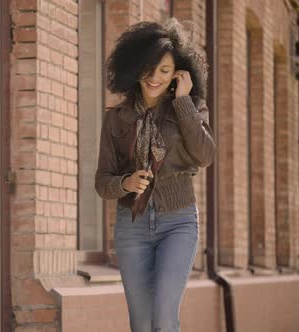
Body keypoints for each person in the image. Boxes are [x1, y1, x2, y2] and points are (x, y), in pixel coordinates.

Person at [95, 19, 216, 332]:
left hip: (178, 222)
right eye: (149, 69)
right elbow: (102, 181)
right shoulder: (115, 119)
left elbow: (205, 155)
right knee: (142, 323)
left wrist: (182, 101)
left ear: (178, 72)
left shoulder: (190, 106)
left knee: (163, 317)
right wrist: (126, 183)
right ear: (135, 69)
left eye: (164, 70)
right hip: (131, 227)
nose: (154, 78)